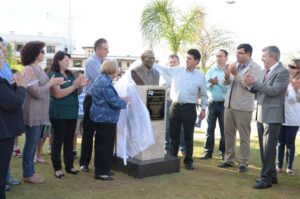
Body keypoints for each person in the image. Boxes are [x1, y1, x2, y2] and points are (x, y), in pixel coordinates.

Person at [243, 46, 289, 189]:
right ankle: (272, 175)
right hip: (261, 114)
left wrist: (255, 83)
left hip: (273, 116)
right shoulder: (263, 72)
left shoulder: (283, 72)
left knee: (268, 148)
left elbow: (274, 90)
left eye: (264, 56)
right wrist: (249, 85)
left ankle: (266, 179)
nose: (262, 58)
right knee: (264, 148)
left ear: (273, 57)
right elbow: (259, 92)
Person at [155, 49, 208, 170]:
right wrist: (150, 62)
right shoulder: (177, 70)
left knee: (188, 135)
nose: (186, 60)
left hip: (189, 108)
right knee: (174, 135)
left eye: (189, 58)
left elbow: (204, 95)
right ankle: (173, 159)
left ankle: (188, 160)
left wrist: (203, 109)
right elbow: (163, 69)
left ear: (196, 61)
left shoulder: (200, 77)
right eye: (186, 58)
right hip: (175, 107)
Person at [21, 41, 65, 184]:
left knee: (34, 143)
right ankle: (28, 173)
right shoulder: (28, 70)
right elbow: (36, 93)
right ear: (34, 53)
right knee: (31, 143)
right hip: (32, 112)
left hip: (40, 112)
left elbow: (45, 86)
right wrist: (51, 83)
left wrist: (55, 82)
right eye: (42, 51)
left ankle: (30, 172)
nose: (44, 54)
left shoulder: (38, 68)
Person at [218, 44, 260, 173]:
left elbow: (249, 86)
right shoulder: (234, 65)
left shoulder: (256, 68)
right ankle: (229, 159)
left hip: (243, 107)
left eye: (240, 53)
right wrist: (226, 75)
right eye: (236, 52)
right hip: (229, 105)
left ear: (249, 54)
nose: (237, 55)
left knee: (244, 136)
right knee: (228, 134)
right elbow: (225, 83)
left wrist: (235, 75)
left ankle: (243, 162)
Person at [48, 51, 87, 179]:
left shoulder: (70, 74)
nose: (68, 62)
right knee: (58, 140)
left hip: (71, 112)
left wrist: (80, 85)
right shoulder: (53, 75)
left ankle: (69, 166)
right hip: (59, 113)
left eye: (68, 61)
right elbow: (57, 94)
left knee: (69, 141)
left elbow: (77, 92)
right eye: (65, 60)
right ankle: (57, 168)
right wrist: (74, 86)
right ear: (58, 60)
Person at [90, 59, 129, 180]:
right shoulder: (105, 82)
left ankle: (102, 168)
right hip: (106, 119)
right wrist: (124, 101)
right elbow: (113, 101)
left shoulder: (101, 79)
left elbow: (106, 98)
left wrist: (119, 98)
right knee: (105, 146)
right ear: (111, 69)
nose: (118, 70)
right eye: (117, 67)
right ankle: (102, 172)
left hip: (101, 117)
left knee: (101, 145)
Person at [0, 48, 27, 199]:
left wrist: (15, 86)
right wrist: (22, 86)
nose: (4, 58)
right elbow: (13, 103)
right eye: (1, 56)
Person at [80, 38, 109, 172]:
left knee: (100, 133)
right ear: (97, 49)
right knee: (88, 132)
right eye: (105, 48)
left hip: (101, 101)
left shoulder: (101, 62)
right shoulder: (92, 62)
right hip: (92, 99)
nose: (107, 51)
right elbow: (102, 79)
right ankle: (84, 162)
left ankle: (99, 164)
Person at [200, 49, 228, 160]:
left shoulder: (228, 71)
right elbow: (204, 86)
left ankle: (223, 153)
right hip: (211, 103)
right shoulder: (211, 70)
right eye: (217, 56)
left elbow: (229, 88)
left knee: (224, 130)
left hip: (224, 105)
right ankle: (208, 152)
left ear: (226, 57)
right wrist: (211, 84)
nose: (218, 58)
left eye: (221, 56)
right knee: (210, 129)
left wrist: (219, 83)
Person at [276, 59, 300, 176]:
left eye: (293, 66)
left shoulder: (298, 82)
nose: (290, 67)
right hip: (281, 116)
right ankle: (279, 165)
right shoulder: (284, 79)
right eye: (289, 65)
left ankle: (289, 167)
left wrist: (292, 92)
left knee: (290, 143)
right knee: (280, 142)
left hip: (293, 118)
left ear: (298, 69)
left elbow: (296, 100)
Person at [164, 54, 186, 155]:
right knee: (167, 128)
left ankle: (183, 149)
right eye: (171, 62)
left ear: (179, 62)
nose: (172, 64)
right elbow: (162, 88)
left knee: (181, 128)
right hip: (168, 103)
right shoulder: (165, 74)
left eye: (174, 62)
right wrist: (172, 90)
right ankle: (167, 149)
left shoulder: (184, 73)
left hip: (180, 104)